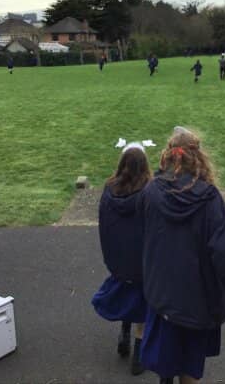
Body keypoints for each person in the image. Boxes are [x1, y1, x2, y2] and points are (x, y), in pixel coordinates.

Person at [140, 128, 225, 384]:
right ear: (198, 157)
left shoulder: (152, 191)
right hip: (197, 300)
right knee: (190, 365)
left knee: (167, 354)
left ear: (168, 155)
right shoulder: (209, 200)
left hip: (162, 293)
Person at [92, 143, 151, 376]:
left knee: (127, 291)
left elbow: (104, 225)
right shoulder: (149, 192)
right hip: (142, 264)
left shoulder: (109, 189)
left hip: (118, 260)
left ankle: (124, 334)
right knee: (143, 302)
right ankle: (138, 354)